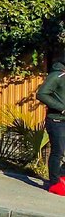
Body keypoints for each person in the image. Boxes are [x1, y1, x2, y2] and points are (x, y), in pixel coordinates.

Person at [36, 57, 65, 191]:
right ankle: (54, 183)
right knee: (57, 152)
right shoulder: (56, 75)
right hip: (56, 120)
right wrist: (61, 107)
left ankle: (62, 176)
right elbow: (42, 94)